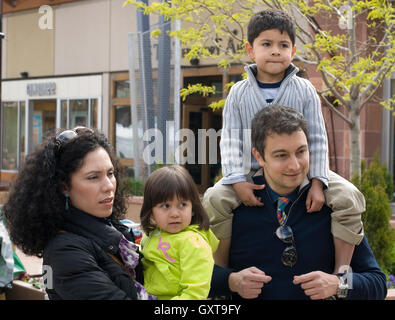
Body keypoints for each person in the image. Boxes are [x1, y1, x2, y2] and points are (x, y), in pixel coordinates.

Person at [203, 9, 365, 273]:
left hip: (300, 171)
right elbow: (230, 140)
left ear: (293, 49)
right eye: (267, 44)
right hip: (250, 170)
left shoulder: (305, 89)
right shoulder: (238, 94)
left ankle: (341, 269)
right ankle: (220, 270)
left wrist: (317, 181)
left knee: (348, 197)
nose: (276, 51)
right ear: (250, 49)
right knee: (214, 199)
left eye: (283, 45)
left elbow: (317, 139)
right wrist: (236, 178)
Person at [209, 105, 387, 300]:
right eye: (281, 155)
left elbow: (377, 282)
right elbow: (191, 280)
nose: (294, 165)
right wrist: (231, 281)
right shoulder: (232, 209)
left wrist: (337, 284)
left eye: (301, 152)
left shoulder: (336, 207)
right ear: (259, 156)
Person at [3, 127, 154, 300]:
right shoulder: (65, 252)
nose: (109, 185)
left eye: (110, 173)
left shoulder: (114, 230)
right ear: (64, 187)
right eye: (93, 177)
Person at [140, 165, 219, 300]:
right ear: (151, 212)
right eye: (165, 206)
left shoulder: (193, 244)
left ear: (193, 208)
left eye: (182, 205)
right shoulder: (152, 236)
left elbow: (195, 292)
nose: (175, 214)